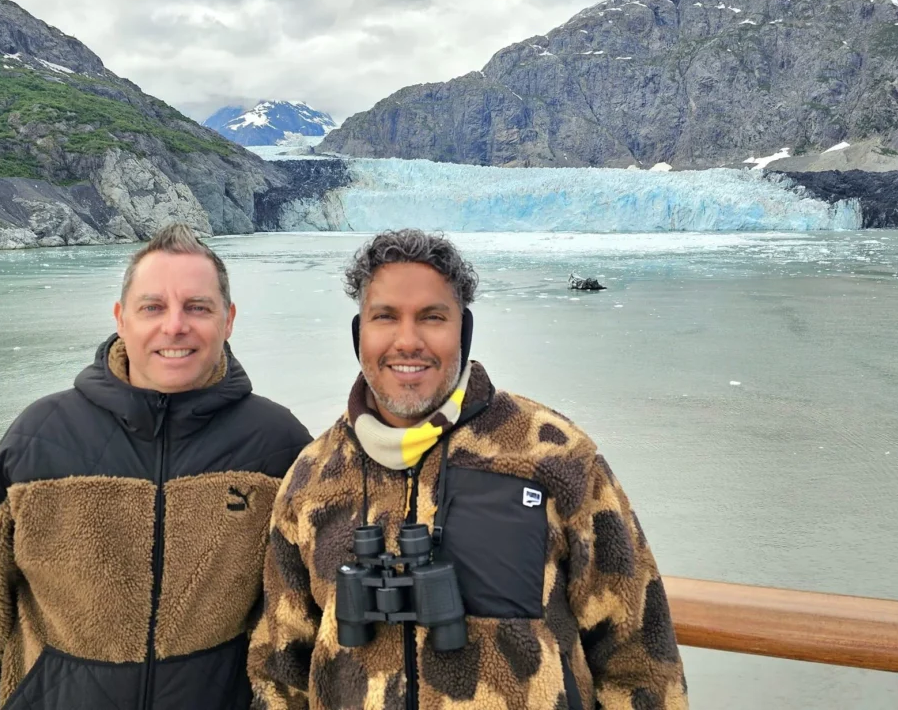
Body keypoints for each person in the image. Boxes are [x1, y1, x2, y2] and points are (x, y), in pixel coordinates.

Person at [249, 229, 687, 710]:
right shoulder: (311, 478)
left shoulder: (552, 456)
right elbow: (279, 670)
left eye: (432, 317)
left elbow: (639, 659)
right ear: (359, 334)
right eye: (385, 317)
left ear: (465, 329)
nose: (408, 341)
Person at [0, 223, 311, 710]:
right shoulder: (41, 438)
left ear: (228, 320)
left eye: (197, 307)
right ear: (122, 319)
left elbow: (301, 621)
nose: (175, 326)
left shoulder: (276, 444)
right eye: (153, 307)